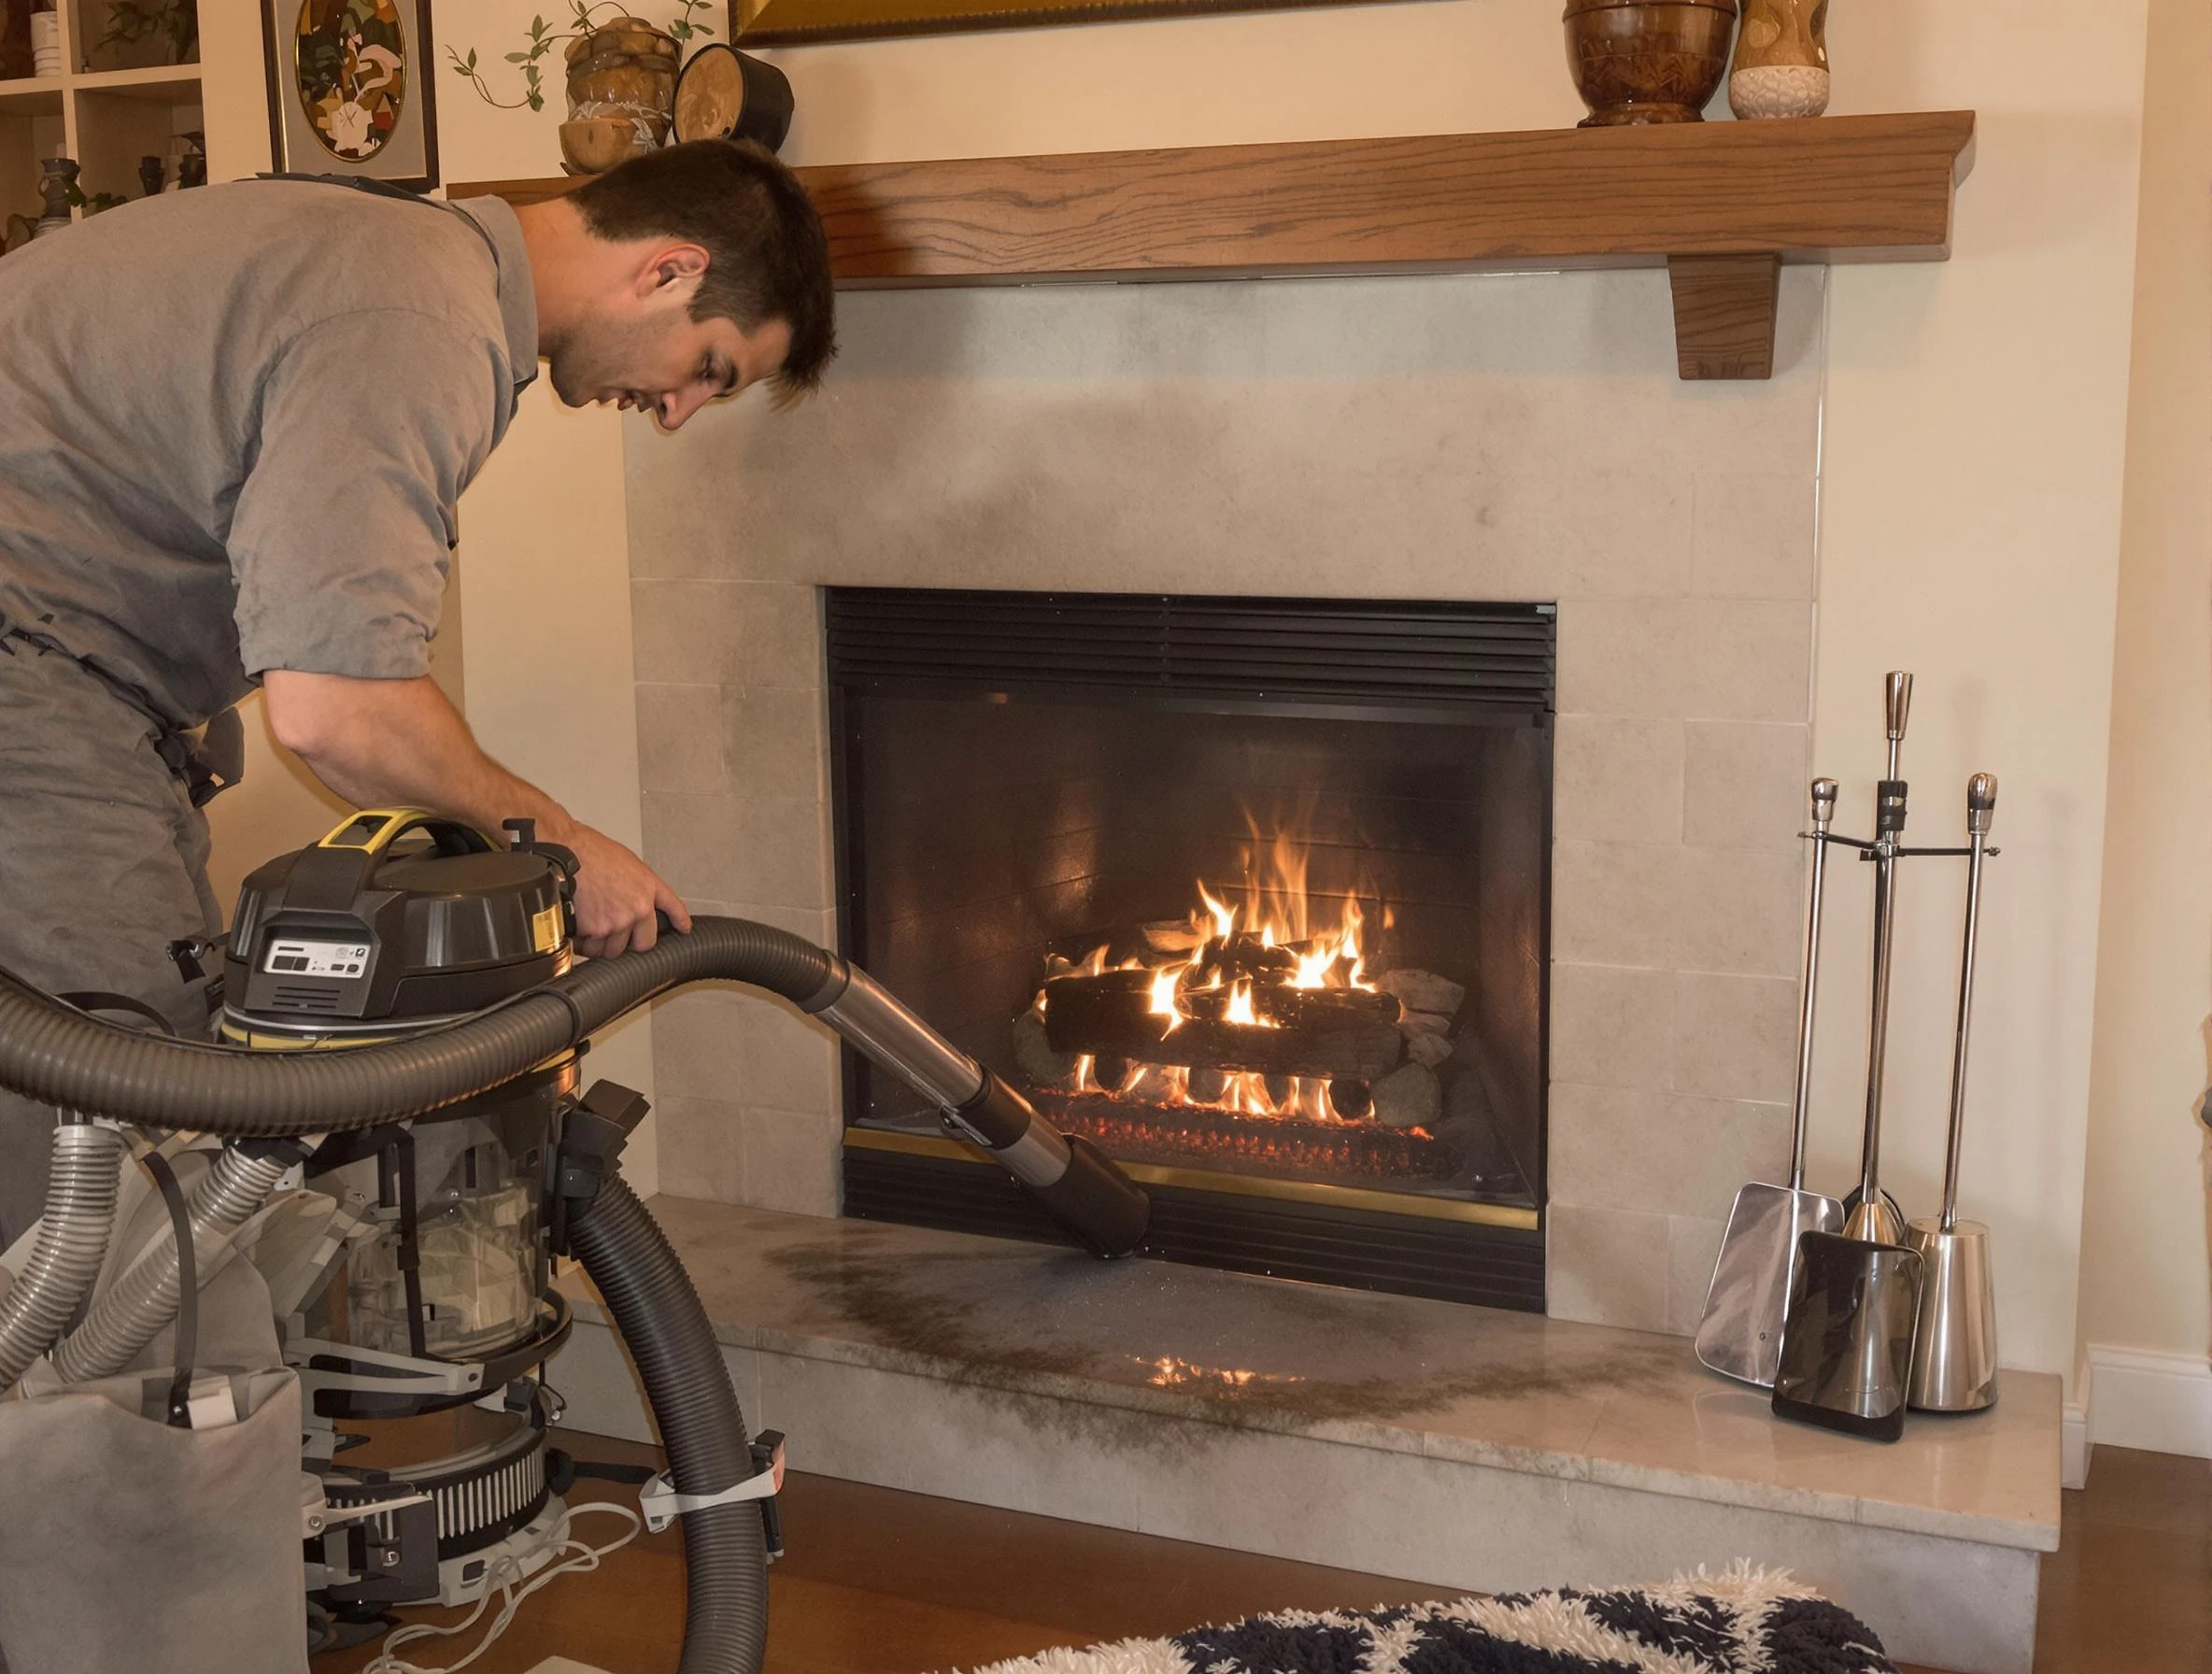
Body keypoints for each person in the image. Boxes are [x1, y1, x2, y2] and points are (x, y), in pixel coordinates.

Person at [0, 139, 837, 1242]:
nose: (678, 411)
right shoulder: (415, 323)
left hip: (68, 676)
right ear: (669, 271)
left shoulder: (386, 250)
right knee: (132, 1170)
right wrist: (563, 843)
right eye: (710, 368)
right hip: (35, 685)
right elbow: (336, 708)